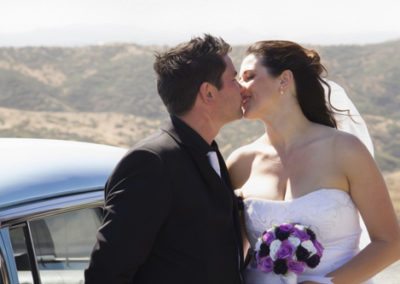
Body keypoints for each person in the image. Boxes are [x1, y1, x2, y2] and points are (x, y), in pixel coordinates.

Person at [227, 40, 400, 283]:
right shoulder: (239, 162)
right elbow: (231, 252)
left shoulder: (345, 150)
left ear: (284, 80)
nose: (240, 88)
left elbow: (390, 243)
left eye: (249, 76)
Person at [85, 34, 244, 284]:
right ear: (209, 93)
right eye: (234, 79)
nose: (242, 88)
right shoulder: (150, 163)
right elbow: (106, 274)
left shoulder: (207, 151)